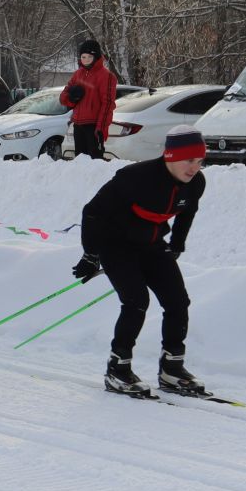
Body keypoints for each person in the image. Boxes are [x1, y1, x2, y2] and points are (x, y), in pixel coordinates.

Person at [75, 125, 209, 398]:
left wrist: (177, 244)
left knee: (177, 301)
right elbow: (92, 212)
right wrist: (91, 254)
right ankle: (118, 370)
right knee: (136, 302)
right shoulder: (135, 178)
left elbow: (187, 212)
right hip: (116, 245)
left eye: (199, 161)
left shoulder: (196, 183)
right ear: (171, 157)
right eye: (189, 160)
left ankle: (172, 369)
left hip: (151, 244)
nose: (195, 167)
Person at [61, 38, 119, 160]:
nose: (86, 60)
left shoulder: (107, 76)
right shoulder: (77, 74)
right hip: (78, 125)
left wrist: (101, 129)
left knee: (94, 162)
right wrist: (72, 98)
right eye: (83, 57)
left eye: (89, 57)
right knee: (80, 161)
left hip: (93, 126)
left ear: (96, 57)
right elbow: (63, 98)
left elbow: (107, 105)